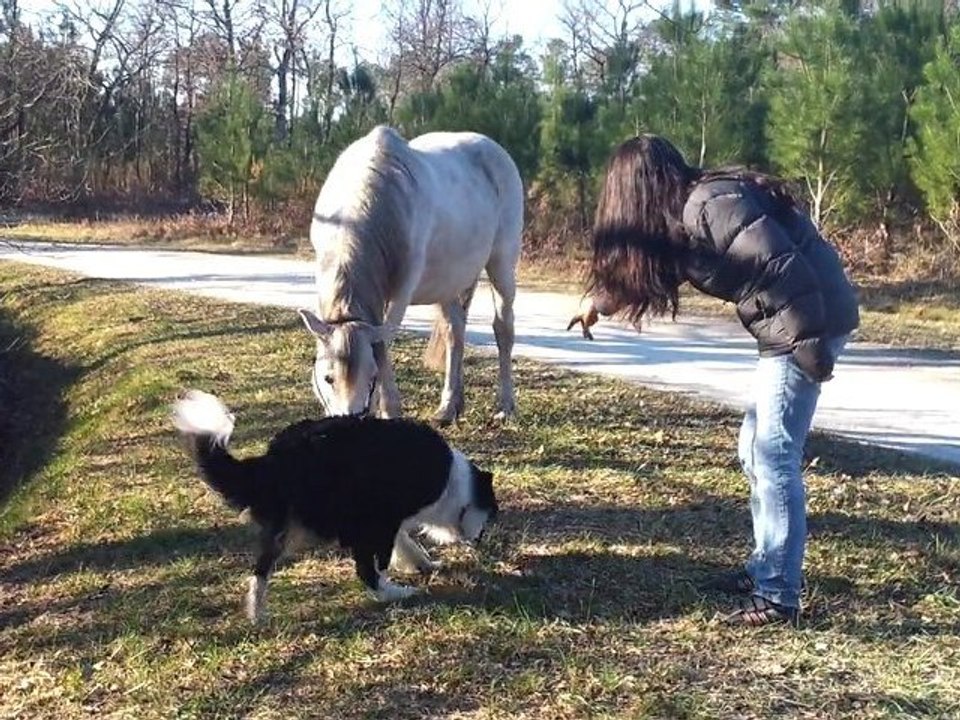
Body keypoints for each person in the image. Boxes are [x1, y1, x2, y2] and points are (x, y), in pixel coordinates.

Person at [568, 135, 859, 627]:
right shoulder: (685, 215)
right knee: (755, 449)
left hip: (806, 321)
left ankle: (777, 596)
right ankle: (765, 568)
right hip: (790, 324)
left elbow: (782, 268)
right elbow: (646, 271)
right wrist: (597, 303)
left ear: (635, 191)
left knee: (774, 456)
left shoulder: (710, 207)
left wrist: (810, 347)